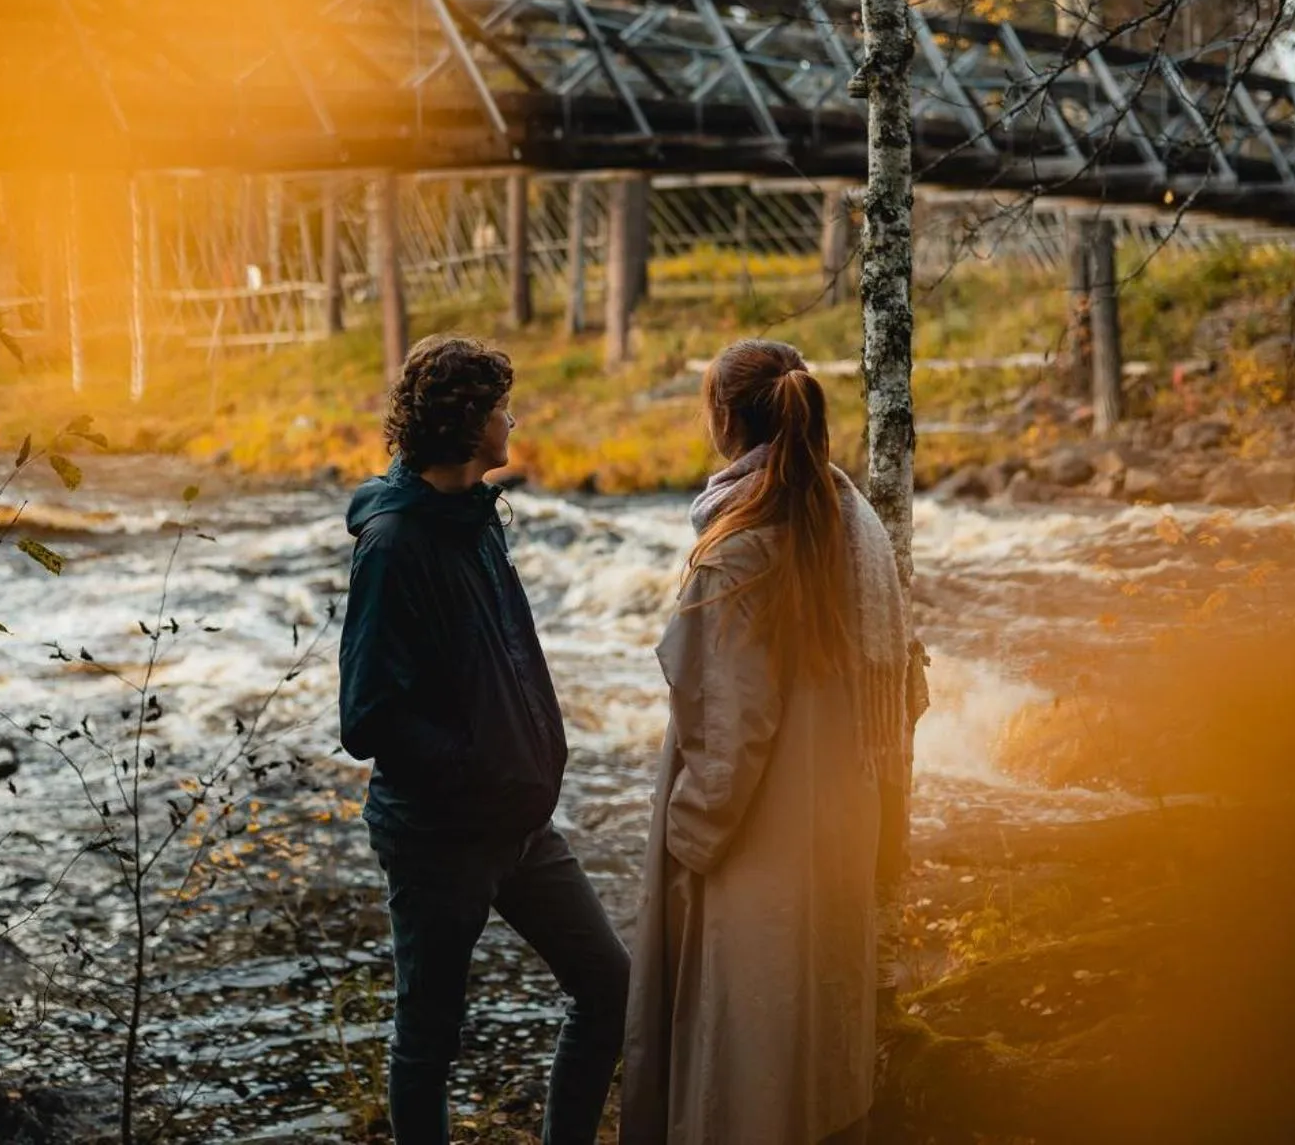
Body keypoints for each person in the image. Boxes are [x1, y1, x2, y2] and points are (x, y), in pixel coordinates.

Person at [621, 338, 913, 1145]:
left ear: (724, 418)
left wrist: (688, 839)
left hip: (759, 842)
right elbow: (902, 691)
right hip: (842, 827)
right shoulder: (855, 525)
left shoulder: (739, 550)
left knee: (747, 1059)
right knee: (824, 1047)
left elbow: (731, 730)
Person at [339, 334, 630, 1145]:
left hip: (522, 825)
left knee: (610, 987)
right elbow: (367, 715)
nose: (515, 418)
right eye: (505, 406)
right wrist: (478, 773)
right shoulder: (394, 546)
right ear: (470, 424)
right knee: (428, 1043)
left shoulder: (477, 518)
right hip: (440, 835)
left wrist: (521, 772)